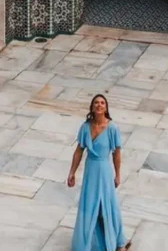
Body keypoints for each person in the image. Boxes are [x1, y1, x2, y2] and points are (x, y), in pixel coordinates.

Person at [67, 94, 129, 251]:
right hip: (90, 171)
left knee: (109, 204)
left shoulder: (112, 128)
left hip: (104, 170)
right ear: (92, 107)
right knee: (89, 205)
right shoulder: (85, 127)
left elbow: (116, 153)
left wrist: (117, 174)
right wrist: (72, 172)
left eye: (102, 103)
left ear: (106, 107)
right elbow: (79, 151)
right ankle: (87, 243)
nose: (99, 105)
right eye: (96, 103)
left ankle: (119, 242)